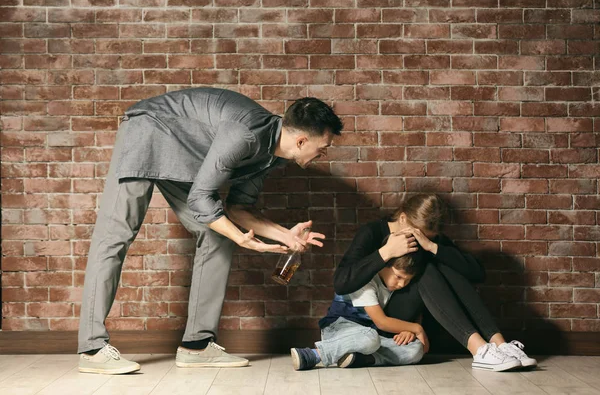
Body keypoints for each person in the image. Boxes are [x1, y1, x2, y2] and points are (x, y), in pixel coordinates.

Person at [77, 88, 343, 374]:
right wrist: (241, 238)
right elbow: (202, 199)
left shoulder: (273, 156)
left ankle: (197, 345)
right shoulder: (246, 134)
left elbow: (239, 209)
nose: (324, 152)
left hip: (183, 154)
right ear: (302, 140)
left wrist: (284, 235)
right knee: (115, 237)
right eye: (323, 146)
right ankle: (92, 349)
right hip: (149, 132)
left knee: (217, 236)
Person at [324, 193, 537, 371]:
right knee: (427, 270)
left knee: (440, 264)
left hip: (410, 318)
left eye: (427, 237)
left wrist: (432, 247)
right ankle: (478, 349)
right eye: (419, 234)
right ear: (404, 219)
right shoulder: (372, 233)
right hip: (376, 317)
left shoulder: (429, 240)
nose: (419, 241)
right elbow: (342, 283)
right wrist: (386, 252)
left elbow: (477, 273)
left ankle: (498, 344)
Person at [290, 248, 427, 370]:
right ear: (384, 264)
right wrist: (417, 328)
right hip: (339, 329)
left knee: (415, 349)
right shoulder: (365, 279)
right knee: (370, 338)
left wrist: (407, 331)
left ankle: (359, 359)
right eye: (398, 276)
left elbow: (423, 346)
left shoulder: (393, 286)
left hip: (369, 335)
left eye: (407, 280)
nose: (402, 284)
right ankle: (314, 354)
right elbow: (381, 322)